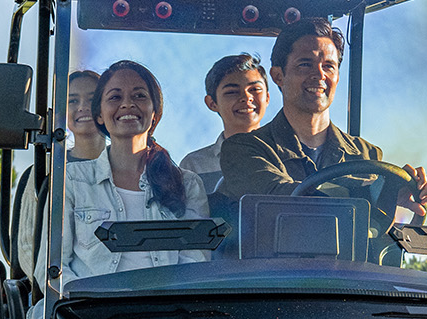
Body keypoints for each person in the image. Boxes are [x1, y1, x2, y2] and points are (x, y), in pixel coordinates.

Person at [218, 17, 427, 214]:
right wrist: (375, 192)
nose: (319, 75)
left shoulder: (365, 154)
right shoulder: (243, 150)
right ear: (278, 76)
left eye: (329, 66)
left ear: (337, 76)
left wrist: (398, 190)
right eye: (305, 65)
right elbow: (284, 199)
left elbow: (375, 230)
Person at [61, 59, 211, 280]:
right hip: (89, 302)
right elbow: (53, 267)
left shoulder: (187, 184)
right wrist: (87, 298)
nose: (127, 104)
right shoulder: (70, 181)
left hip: (168, 302)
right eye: (115, 97)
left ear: (155, 112)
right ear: (99, 114)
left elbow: (195, 263)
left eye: (139, 95)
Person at [14, 69, 102, 280]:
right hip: (64, 292)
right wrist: (59, 287)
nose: (82, 107)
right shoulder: (46, 170)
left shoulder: (129, 168)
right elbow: (27, 246)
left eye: (92, 100)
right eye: (73, 101)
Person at [179, 53, 269, 196]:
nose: (246, 98)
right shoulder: (195, 166)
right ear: (212, 103)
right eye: (232, 92)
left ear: (267, 97)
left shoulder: (290, 155)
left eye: (254, 89)